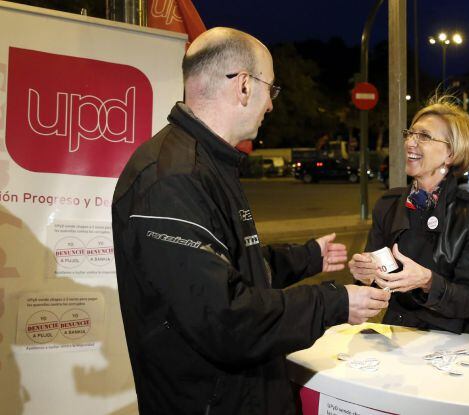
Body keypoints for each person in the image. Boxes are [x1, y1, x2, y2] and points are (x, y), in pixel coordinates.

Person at [111, 27, 390, 415]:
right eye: (270, 89)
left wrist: (308, 257)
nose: (271, 105)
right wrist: (334, 302)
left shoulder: (207, 163)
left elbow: (233, 265)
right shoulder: (173, 178)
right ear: (244, 86)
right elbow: (224, 318)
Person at [349, 96, 469, 335]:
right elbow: (376, 281)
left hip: (454, 339)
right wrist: (365, 276)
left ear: (451, 154)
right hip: (397, 332)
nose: (410, 142)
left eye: (424, 136)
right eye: (410, 134)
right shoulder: (388, 205)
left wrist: (428, 281)